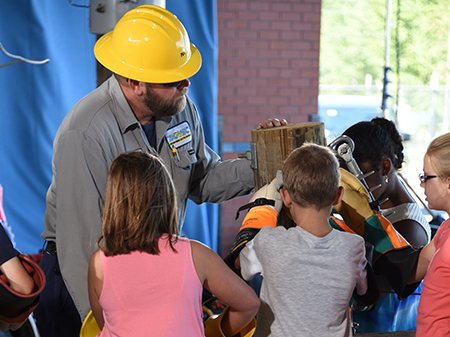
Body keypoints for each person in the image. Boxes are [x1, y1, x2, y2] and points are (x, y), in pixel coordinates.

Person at [34, 5, 285, 337]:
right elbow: (81, 245)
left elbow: (204, 179)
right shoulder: (86, 132)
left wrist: (263, 163)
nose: (186, 84)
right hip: (85, 279)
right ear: (135, 82)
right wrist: (99, 327)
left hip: (156, 268)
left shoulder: (179, 109)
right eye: (173, 79)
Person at [87, 151, 259, 336]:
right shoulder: (196, 254)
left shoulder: (98, 263)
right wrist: (213, 331)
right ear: (166, 196)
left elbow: (106, 324)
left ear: (114, 199)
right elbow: (249, 304)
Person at [237, 143, 371, 337]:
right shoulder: (355, 246)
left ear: (284, 197)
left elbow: (242, 267)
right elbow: (363, 289)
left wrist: (262, 209)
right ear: (338, 196)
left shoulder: (268, 241)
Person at [341, 117, 431, 333]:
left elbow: (369, 296)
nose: (352, 188)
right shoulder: (375, 210)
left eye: (358, 179)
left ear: (384, 167)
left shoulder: (409, 227)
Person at [407, 132, 450, 336]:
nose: (422, 184)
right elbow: (412, 270)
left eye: (426, 177)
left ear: (449, 183)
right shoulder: (445, 230)